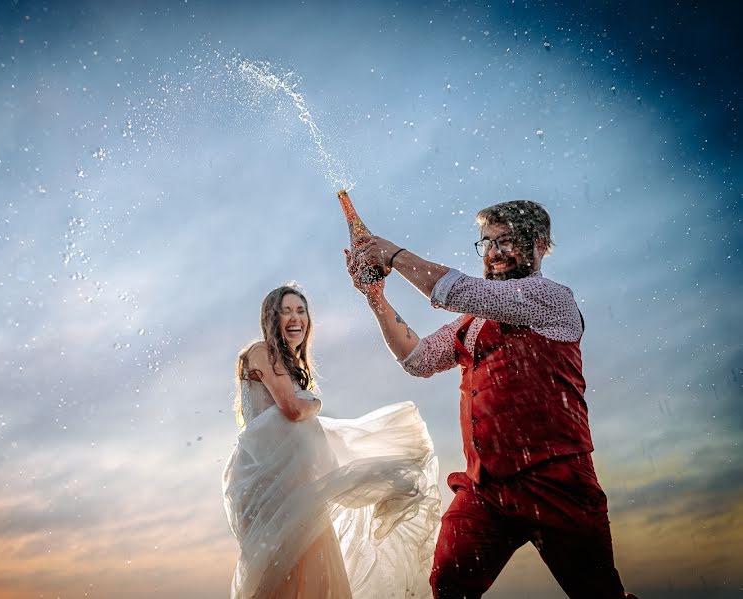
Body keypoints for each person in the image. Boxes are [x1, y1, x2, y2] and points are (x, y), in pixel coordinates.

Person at [346, 200, 637, 599]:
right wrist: (375, 297)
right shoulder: (474, 321)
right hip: (486, 487)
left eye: (507, 242)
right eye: (487, 243)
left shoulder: (553, 298)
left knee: (598, 593)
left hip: (556, 483)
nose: (495, 254)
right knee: (449, 583)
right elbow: (418, 359)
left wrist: (393, 255)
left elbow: (458, 290)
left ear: (539, 245)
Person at [222, 283, 442, 599]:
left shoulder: (290, 367)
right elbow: (294, 409)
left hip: (299, 485)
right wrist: (315, 402)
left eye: (301, 311)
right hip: (272, 486)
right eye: (286, 311)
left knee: (314, 572)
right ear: (271, 317)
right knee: (280, 572)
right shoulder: (261, 351)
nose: (295, 318)